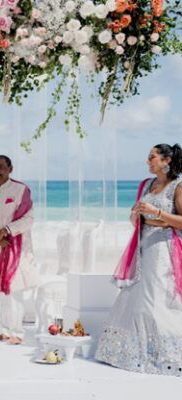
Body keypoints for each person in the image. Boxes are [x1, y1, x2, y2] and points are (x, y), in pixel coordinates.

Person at [95, 144, 182, 376]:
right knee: (135, 296)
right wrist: (137, 215)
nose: (148, 161)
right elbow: (136, 217)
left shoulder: (178, 186)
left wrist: (159, 215)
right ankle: (129, 353)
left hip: (164, 250)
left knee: (157, 299)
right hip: (143, 247)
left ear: (167, 160)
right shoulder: (145, 184)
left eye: (152, 157)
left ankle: (163, 355)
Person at [0, 155, 37, 345]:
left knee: (14, 289)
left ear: (10, 169)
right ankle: (4, 330)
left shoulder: (21, 190)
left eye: (1, 167)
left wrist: (7, 232)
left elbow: (29, 219)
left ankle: (17, 332)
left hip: (15, 249)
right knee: (1, 289)